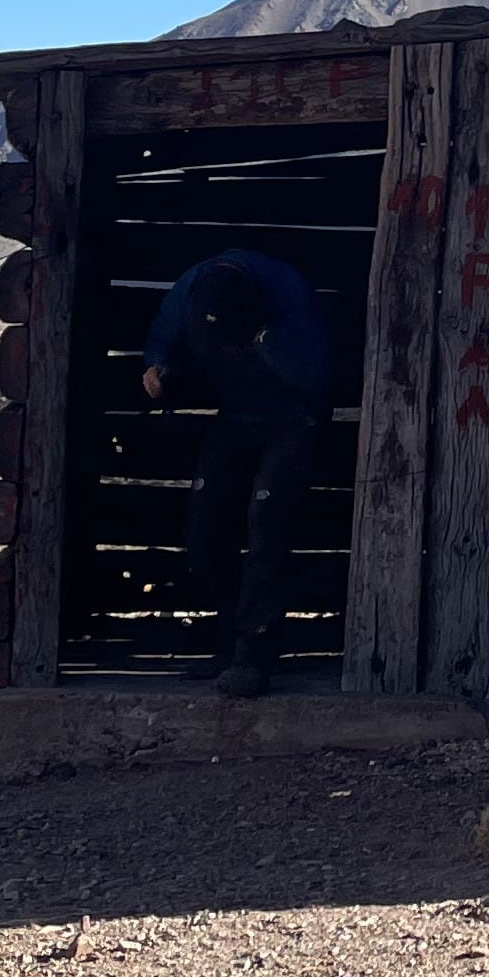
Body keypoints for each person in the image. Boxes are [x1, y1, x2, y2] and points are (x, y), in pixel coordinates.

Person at [140, 249, 336, 697]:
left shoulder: (287, 296)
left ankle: (255, 654)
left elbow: (313, 380)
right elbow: (161, 338)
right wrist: (157, 366)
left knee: (268, 522)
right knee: (204, 526)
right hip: (235, 417)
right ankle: (227, 638)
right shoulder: (190, 288)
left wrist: (267, 350)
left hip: (293, 417)